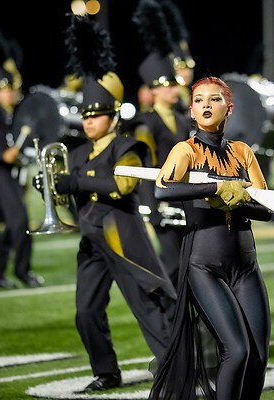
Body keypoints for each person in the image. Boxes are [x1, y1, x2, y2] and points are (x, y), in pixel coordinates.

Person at [54, 14, 176, 392]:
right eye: (86, 116)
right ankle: (106, 371)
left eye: (97, 116)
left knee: (147, 306)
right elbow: (68, 199)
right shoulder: (76, 153)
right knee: (86, 311)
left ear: (113, 117)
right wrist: (53, 187)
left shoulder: (128, 147)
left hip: (122, 236)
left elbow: (123, 186)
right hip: (91, 242)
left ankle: (175, 367)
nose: (89, 122)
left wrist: (80, 181)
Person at [149, 76, 272, 400]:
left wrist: (239, 201)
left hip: (245, 266)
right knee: (237, 350)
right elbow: (163, 189)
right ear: (191, 110)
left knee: (258, 357)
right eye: (199, 100)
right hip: (204, 266)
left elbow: (266, 209)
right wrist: (216, 188)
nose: (206, 104)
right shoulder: (185, 150)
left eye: (214, 99)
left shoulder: (243, 151)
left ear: (228, 108)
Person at [130, 0, 192, 292]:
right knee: (173, 264)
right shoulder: (146, 123)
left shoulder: (181, 118)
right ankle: (159, 306)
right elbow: (146, 166)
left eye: (174, 83)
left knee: (189, 264)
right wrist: (151, 206)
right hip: (161, 200)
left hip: (184, 199)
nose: (174, 88)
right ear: (154, 89)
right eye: (168, 84)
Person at [0, 29, 43, 289]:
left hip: (13, 173)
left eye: (11, 89)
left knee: (13, 226)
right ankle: (23, 271)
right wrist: (2, 154)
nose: (10, 93)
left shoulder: (13, 115)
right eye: (4, 90)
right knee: (19, 221)